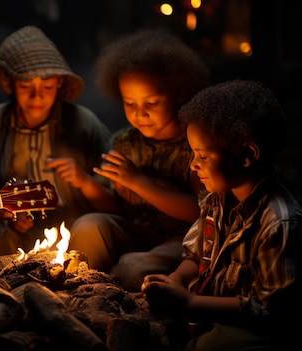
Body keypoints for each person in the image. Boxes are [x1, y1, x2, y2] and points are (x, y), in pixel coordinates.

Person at [141, 79, 302, 350]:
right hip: (207, 313)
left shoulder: (279, 223)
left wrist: (190, 303)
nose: (193, 165)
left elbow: (272, 311)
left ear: (247, 155)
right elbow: (197, 256)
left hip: (261, 330)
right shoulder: (216, 201)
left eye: (203, 156)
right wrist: (175, 280)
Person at [68, 29, 209, 292]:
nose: (140, 114)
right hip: (137, 231)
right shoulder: (125, 143)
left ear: (179, 92)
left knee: (134, 269)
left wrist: (139, 182)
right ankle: (75, 291)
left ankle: (112, 299)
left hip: (185, 242)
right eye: (129, 103)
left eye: (152, 103)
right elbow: (116, 209)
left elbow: (201, 211)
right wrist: (85, 182)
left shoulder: (196, 143)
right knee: (88, 226)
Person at [0, 25, 113, 263]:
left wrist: (83, 179)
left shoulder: (82, 122)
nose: (37, 96)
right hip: (13, 223)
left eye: (47, 87)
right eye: (26, 86)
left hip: (72, 221)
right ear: (10, 83)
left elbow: (112, 189)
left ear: (60, 84)